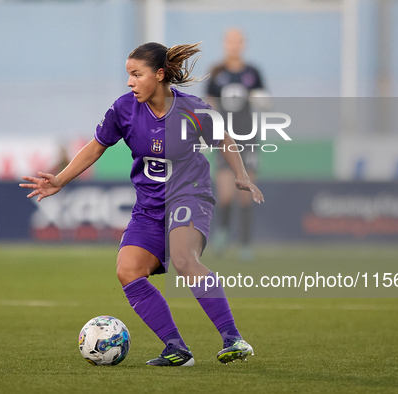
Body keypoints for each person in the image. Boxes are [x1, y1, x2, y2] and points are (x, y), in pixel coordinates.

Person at [20, 42, 264, 366]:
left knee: (183, 259)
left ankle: (233, 338)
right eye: (128, 75)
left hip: (189, 195)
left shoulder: (193, 108)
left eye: (136, 74)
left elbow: (224, 138)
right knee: (128, 271)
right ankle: (176, 348)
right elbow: (95, 148)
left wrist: (241, 174)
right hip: (149, 206)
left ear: (160, 74)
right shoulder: (124, 109)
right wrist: (60, 180)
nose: (129, 82)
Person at [206, 28, 269, 261]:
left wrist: (262, 100)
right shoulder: (216, 73)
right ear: (225, 44)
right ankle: (222, 233)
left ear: (243, 44)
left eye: (238, 41)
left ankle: (245, 245)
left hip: (248, 138)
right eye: (230, 41)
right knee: (224, 194)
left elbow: (265, 101)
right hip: (224, 139)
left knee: (247, 193)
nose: (234, 45)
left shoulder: (253, 73)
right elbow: (208, 104)